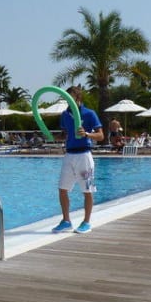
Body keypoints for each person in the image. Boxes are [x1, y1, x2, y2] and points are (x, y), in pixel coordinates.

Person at [52, 86, 104, 234]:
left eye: (70, 97)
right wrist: (53, 137)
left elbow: (101, 136)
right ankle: (66, 221)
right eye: (66, 98)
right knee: (62, 189)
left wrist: (87, 134)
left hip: (84, 155)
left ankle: (86, 222)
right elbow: (65, 134)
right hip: (69, 155)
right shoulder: (65, 115)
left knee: (87, 190)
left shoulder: (89, 113)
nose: (68, 100)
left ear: (78, 97)